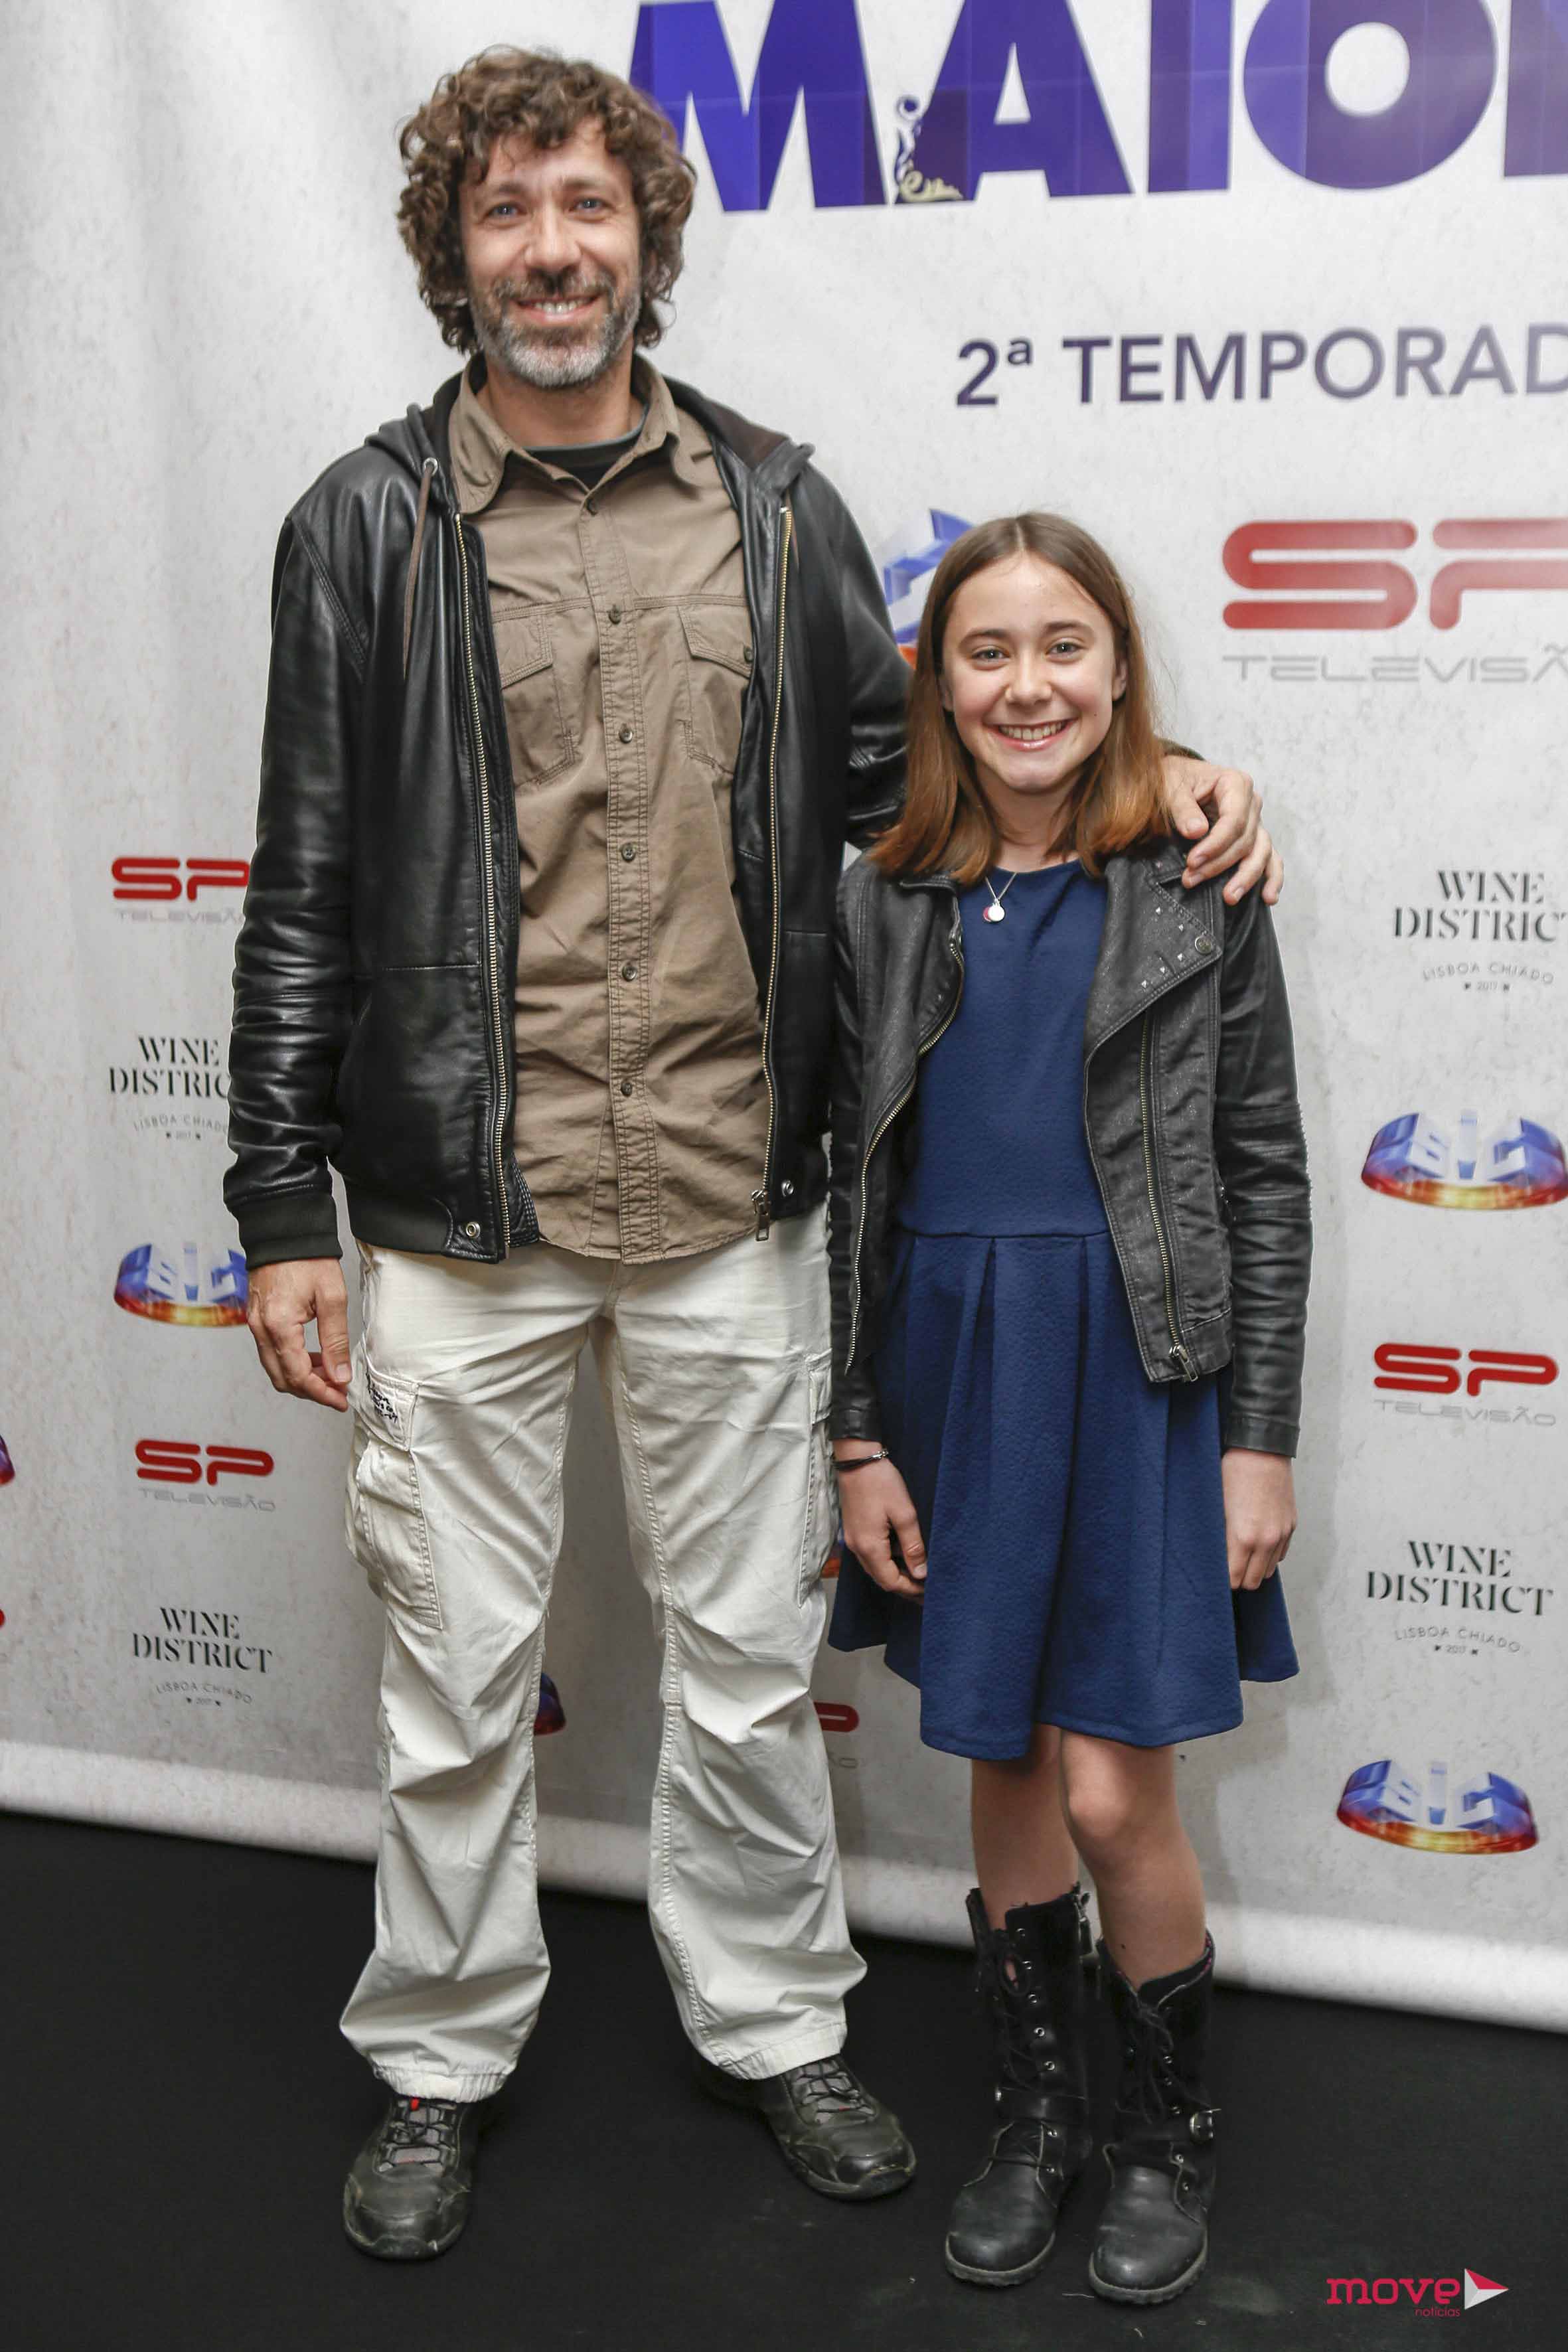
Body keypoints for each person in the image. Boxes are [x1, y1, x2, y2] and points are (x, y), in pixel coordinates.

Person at [224, 46, 1279, 2265]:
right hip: (458, 1218)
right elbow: (303, 882)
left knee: (738, 1670)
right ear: (452, 253)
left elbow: (935, 777)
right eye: (507, 213)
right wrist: (277, 1203)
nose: (552, 252)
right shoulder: (361, 525)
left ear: (647, 239)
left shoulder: (779, 510)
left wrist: (1161, 767)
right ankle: (438, 2058)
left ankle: (779, 2028)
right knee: (453, 1684)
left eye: (586, 208)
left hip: (732, 1200)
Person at [826, 514, 1310, 2305]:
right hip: (952, 1369)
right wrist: (855, 1433)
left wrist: (1259, 1437)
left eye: (1062, 646)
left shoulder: (1196, 883)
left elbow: (1262, 1173)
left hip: (1141, 1369)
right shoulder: (877, 898)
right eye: (987, 651)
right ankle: (1039, 2119)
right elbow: (845, 1190)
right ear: (937, 683)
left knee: (1116, 1794)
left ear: (1118, 671)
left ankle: (1164, 2134)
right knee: (1010, 1764)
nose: (1026, 684)